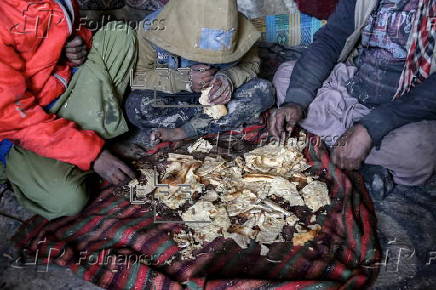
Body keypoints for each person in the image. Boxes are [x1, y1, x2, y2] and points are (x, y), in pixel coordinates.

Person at [270, 0, 436, 189]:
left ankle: (333, 144)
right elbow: (330, 40)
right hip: (351, 89)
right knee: (286, 77)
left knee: (422, 149)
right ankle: (362, 160)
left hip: (401, 112)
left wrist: (371, 129)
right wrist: (296, 101)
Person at [0, 0, 138, 219]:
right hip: (22, 130)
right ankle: (82, 149)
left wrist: (74, 45)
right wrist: (94, 156)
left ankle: (80, 146)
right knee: (67, 200)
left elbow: (66, 32)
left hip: (59, 89)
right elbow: (13, 119)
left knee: (118, 35)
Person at [124, 0, 275, 148]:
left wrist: (228, 78)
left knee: (263, 90)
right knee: (136, 106)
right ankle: (217, 123)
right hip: (177, 99)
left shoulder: (237, 28)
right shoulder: (151, 30)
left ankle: (184, 132)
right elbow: (139, 77)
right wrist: (184, 80)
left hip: (220, 99)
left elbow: (251, 65)